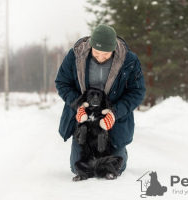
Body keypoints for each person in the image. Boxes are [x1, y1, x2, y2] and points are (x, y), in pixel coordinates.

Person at [55, 24, 146, 175]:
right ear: (91, 46)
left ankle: (119, 150)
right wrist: (78, 105)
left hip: (113, 117)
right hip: (84, 117)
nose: (100, 57)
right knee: (77, 169)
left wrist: (114, 113)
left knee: (117, 167)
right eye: (97, 53)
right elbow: (62, 83)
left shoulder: (129, 60)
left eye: (106, 54)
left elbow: (137, 91)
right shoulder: (75, 56)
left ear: (114, 48)